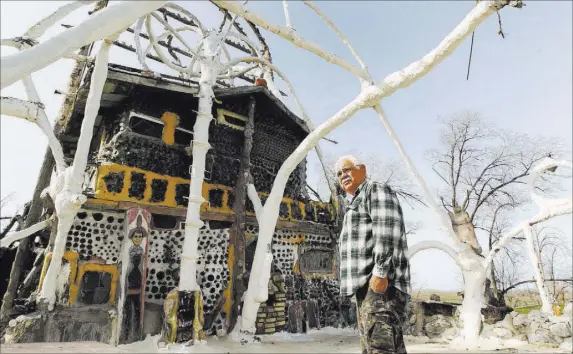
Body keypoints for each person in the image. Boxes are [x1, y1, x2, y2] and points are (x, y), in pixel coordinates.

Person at [335, 155, 411, 354]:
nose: (343, 175)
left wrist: (380, 272)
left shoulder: (375, 189)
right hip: (369, 287)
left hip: (379, 284)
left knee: (379, 347)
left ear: (362, 170)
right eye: (339, 173)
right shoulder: (355, 203)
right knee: (380, 347)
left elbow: (386, 229)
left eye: (347, 169)